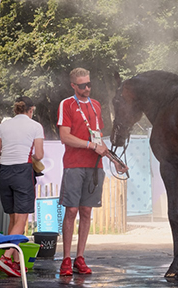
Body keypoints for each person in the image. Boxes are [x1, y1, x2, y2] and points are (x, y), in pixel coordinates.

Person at [57, 67, 128, 276]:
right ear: (73, 86)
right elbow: (65, 137)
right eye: (82, 85)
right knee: (71, 211)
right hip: (73, 164)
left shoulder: (96, 105)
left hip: (95, 166)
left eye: (89, 84)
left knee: (86, 212)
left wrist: (115, 160)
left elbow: (98, 140)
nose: (87, 88)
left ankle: (80, 257)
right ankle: (66, 259)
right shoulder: (66, 104)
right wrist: (89, 146)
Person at [0, 96, 44, 277]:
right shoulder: (35, 126)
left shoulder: (3, 126)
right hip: (23, 171)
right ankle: (5, 258)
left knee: (13, 219)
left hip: (5, 172)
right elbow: (39, 154)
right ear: (31, 110)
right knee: (22, 220)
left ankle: (14, 262)